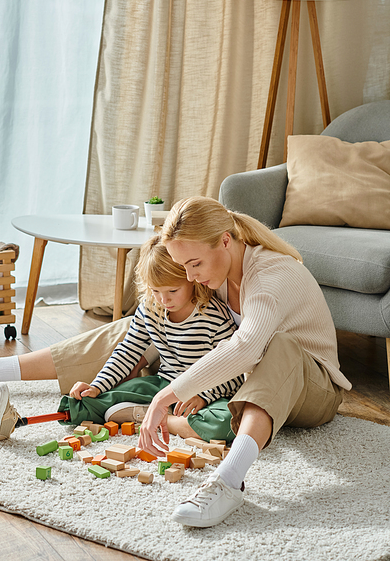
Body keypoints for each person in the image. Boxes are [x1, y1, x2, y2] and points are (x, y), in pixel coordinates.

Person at [135, 196, 351, 528]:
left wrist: (166, 396)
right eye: (185, 267)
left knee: (281, 345)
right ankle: (24, 370)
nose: (191, 277)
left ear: (225, 241)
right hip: (261, 394)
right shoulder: (217, 275)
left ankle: (228, 481)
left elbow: (247, 347)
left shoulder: (268, 278)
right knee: (153, 311)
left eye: (195, 264)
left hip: (315, 392)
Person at [0, 233, 244, 443]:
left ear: (192, 281)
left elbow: (231, 372)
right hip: (162, 385)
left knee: (227, 421)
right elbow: (128, 351)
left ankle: (159, 419)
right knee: (89, 400)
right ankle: (18, 421)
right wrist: (97, 385)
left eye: (172, 291)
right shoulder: (151, 309)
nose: (164, 300)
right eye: (155, 291)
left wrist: (204, 396)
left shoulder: (213, 318)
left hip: (203, 392)